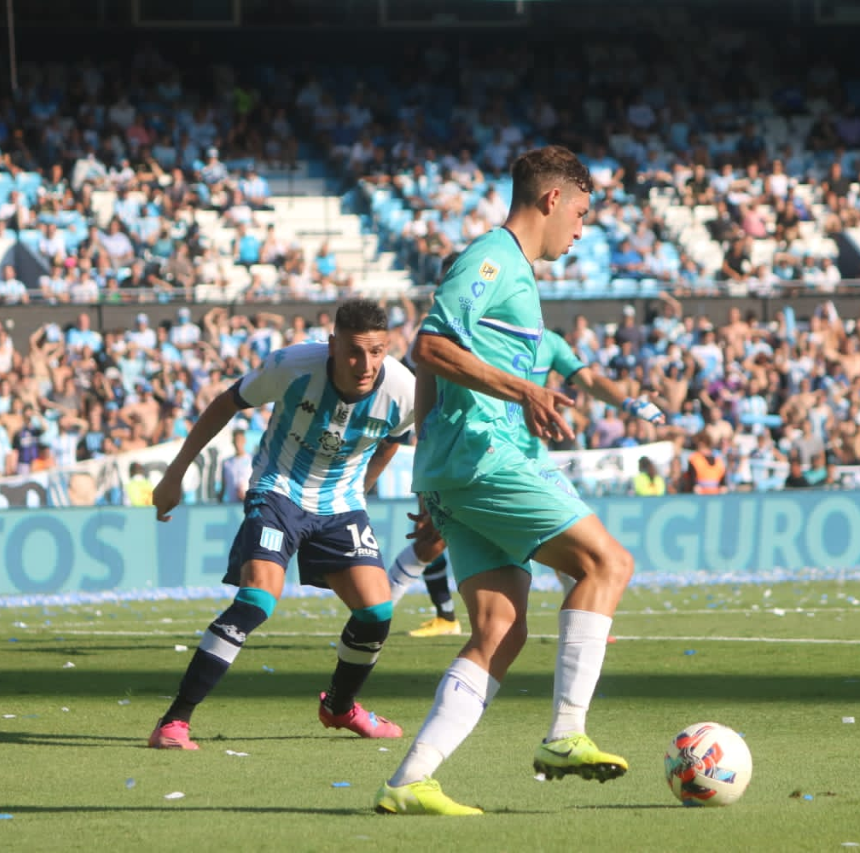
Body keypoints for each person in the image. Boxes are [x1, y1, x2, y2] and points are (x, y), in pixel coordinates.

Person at [375, 146, 635, 816]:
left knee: (499, 627)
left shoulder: (513, 274)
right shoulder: (491, 259)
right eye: (580, 213)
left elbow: (438, 365)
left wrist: (431, 481)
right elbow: (428, 347)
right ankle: (566, 732)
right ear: (551, 200)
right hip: (487, 458)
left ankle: (410, 780)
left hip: (460, 468)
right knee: (607, 562)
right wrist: (523, 391)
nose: (582, 230)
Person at [147, 298, 416, 750]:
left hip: (341, 504)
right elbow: (224, 404)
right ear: (332, 345)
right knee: (256, 601)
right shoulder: (291, 366)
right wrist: (176, 473)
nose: (365, 364)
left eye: (376, 352)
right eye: (353, 351)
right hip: (279, 489)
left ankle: (340, 707)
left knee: (376, 613)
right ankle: (174, 722)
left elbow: (393, 439)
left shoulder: (405, 390)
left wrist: (361, 490)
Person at [388, 324, 665, 636]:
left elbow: (589, 380)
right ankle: (377, 614)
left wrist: (628, 402)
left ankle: (586, 625)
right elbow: (428, 385)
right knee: (430, 543)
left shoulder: (550, 342)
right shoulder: (464, 335)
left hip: (533, 459)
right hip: (482, 457)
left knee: (579, 542)